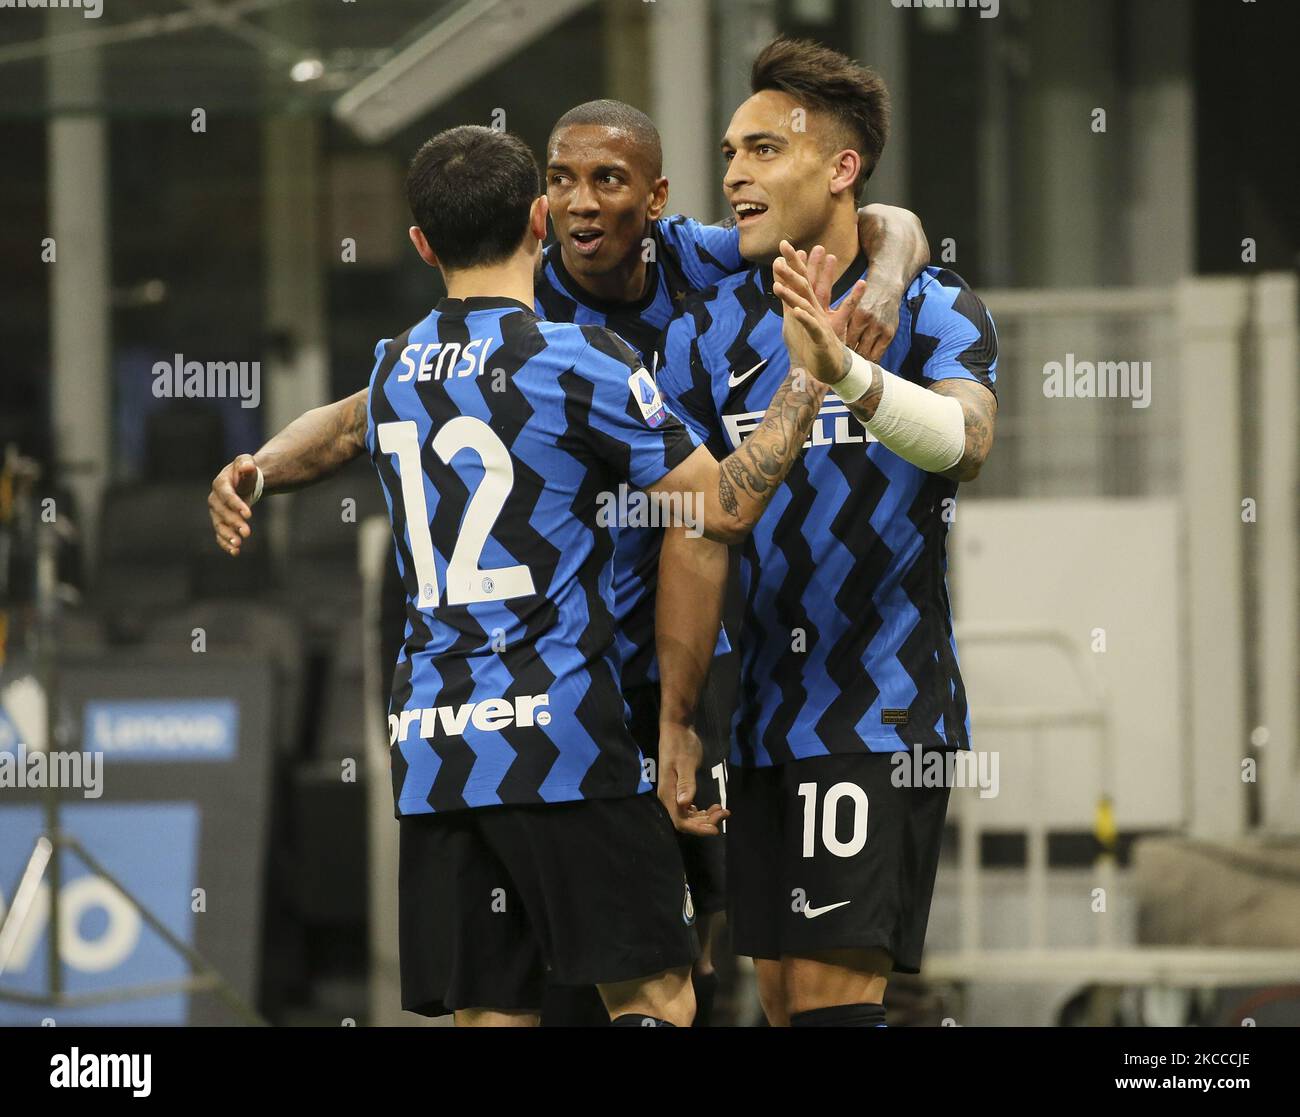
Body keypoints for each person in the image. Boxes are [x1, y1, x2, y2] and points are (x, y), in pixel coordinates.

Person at [209, 98, 929, 1024]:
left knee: (493, 1010)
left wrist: (255, 468)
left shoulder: (399, 364)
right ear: (538, 221)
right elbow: (723, 505)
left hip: (440, 750)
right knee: (662, 992)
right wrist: (811, 372)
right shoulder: (579, 358)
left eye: (608, 182)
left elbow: (343, 425)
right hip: (569, 734)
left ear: (424, 245)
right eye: (561, 183)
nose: (584, 205)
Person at [655, 37, 999, 1028]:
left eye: (763, 150)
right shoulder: (707, 328)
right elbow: (696, 525)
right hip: (760, 719)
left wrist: (846, 372)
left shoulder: (933, 307)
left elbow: (966, 442)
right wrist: (678, 721)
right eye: (729, 151)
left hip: (880, 708)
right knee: (778, 997)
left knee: (830, 1004)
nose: (732, 174)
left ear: (840, 168)